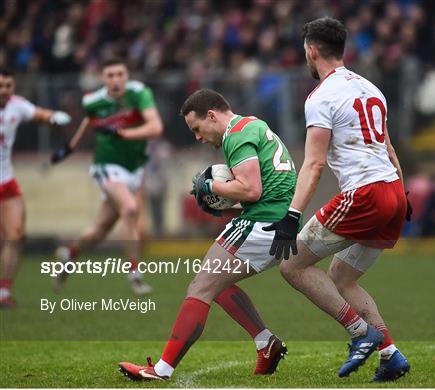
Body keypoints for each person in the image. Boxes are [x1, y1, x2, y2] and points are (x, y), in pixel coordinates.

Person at [263, 18, 411, 381]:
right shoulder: (371, 88)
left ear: (311, 50)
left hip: (365, 195)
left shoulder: (321, 96)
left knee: (292, 265)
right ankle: (390, 355)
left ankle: (360, 334)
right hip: (393, 192)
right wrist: (403, 196)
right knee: (342, 277)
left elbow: (313, 165)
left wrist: (291, 216)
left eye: (305, 52)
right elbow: (389, 151)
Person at [118, 89, 296, 380]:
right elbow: (258, 188)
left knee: (200, 287)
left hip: (264, 222)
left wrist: (210, 187)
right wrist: (221, 199)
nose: (198, 137)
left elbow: (251, 189)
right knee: (217, 284)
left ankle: (161, 370)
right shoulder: (251, 125)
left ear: (212, 115)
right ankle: (266, 343)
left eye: (197, 129)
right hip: (275, 218)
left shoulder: (236, 136)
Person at [50, 58, 163, 295]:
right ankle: (135, 275)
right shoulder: (92, 101)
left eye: (120, 74)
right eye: (110, 75)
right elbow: (89, 121)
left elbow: (155, 128)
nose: (116, 80)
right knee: (131, 209)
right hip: (106, 165)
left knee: (99, 231)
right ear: (103, 79)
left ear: (127, 76)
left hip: (135, 167)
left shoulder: (139, 93)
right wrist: (70, 147)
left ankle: (68, 257)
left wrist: (122, 133)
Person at [0, 67, 72, 309]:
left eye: (8, 86)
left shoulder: (17, 105)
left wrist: (54, 118)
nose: (4, 91)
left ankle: (3, 292)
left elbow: (39, 114)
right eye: (0, 86)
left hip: (6, 181)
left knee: (16, 235)